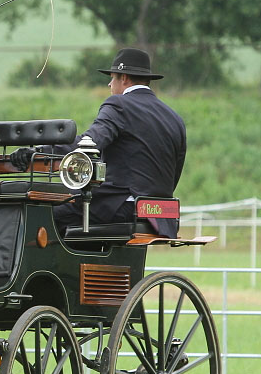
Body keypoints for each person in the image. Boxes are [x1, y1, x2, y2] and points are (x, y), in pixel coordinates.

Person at [11, 47, 186, 237]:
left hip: (122, 205)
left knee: (43, 215)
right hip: (162, 214)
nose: (110, 85)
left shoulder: (119, 104)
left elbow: (89, 144)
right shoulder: (174, 117)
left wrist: (39, 152)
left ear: (124, 78)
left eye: (112, 78)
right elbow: (175, 171)